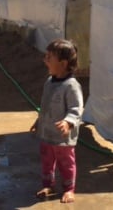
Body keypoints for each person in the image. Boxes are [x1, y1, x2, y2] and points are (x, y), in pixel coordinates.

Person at [30, 39, 84, 204]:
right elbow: (45, 106)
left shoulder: (71, 86)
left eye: (49, 57)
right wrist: (39, 121)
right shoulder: (49, 82)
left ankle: (69, 189)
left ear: (63, 63)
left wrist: (68, 122)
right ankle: (48, 185)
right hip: (47, 133)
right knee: (46, 160)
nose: (45, 60)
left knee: (66, 163)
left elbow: (76, 108)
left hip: (63, 137)